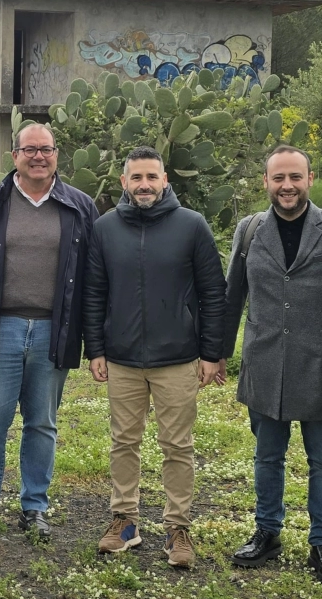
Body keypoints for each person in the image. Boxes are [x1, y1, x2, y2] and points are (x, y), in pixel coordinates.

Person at [0, 124, 97, 542]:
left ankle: (35, 507)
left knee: (42, 424)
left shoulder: (80, 206)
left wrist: (93, 339)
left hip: (55, 329)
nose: (38, 157)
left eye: (45, 149)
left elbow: (93, 276)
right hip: (0, 329)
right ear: (14, 155)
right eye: (29, 149)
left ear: (57, 154)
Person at [83, 145, 226, 569]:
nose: (144, 184)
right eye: (136, 178)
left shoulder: (192, 226)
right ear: (123, 183)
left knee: (177, 446)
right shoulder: (105, 228)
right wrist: (95, 348)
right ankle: (124, 521)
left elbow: (212, 292)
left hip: (178, 357)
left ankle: (177, 529)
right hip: (123, 358)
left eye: (152, 177)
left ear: (166, 181)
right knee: (123, 442)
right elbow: (94, 292)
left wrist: (211, 353)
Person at [221, 144, 322, 584]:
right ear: (266, 182)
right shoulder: (249, 231)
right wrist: (218, 353)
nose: (287, 186)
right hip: (264, 360)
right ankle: (267, 532)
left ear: (310, 180)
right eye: (278, 178)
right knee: (267, 456)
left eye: (295, 177)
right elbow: (231, 299)